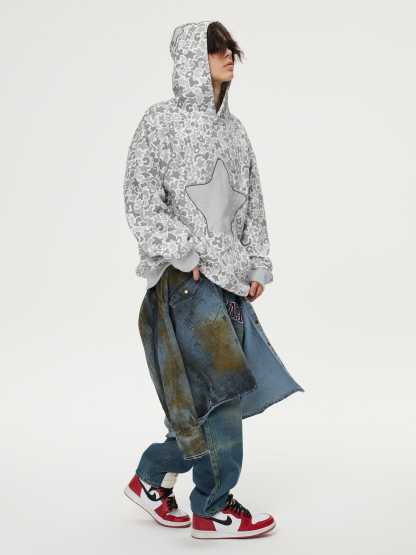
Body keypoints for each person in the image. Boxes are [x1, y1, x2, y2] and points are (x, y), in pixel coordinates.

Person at [122, 20, 303, 540]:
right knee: (222, 395)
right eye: (215, 49)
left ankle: (151, 476)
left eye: (229, 48)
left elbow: (252, 203)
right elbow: (140, 199)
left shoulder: (235, 132)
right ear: (188, 59)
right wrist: (183, 252)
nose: (228, 56)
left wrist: (256, 264)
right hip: (184, 283)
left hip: (228, 284)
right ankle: (212, 507)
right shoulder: (159, 122)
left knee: (207, 401)